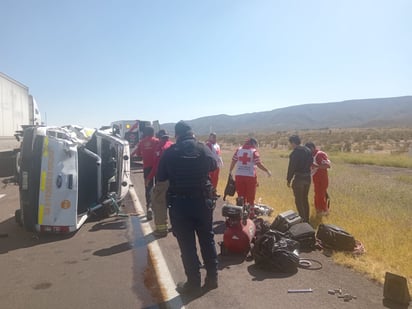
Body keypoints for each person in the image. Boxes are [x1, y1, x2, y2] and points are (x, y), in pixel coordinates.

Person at [156, 121, 219, 295]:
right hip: (202, 203)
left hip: (180, 205)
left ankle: (193, 283)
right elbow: (214, 165)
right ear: (192, 133)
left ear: (177, 135)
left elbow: (161, 176)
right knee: (208, 240)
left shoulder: (170, 153)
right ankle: (212, 279)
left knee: (187, 246)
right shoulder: (203, 148)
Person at [229, 138, 271, 218]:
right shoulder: (254, 151)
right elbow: (258, 164)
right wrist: (267, 171)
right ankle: (250, 214)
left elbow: (233, 161)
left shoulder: (239, 150)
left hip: (239, 176)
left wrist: (230, 171)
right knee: (250, 197)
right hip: (250, 177)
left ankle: (240, 213)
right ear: (253, 143)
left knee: (241, 196)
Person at [147, 129, 173, 237]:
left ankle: (161, 229)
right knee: (174, 203)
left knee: (159, 203)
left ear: (159, 137)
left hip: (163, 181)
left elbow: (157, 165)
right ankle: (175, 225)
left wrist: (149, 177)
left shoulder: (160, 147)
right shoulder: (173, 145)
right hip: (176, 180)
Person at [132, 126, 159, 220]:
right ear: (153, 132)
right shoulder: (157, 141)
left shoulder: (142, 142)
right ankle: (159, 207)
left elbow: (138, 154)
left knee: (148, 187)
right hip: (157, 167)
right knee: (159, 187)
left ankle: (149, 207)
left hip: (147, 167)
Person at [286, 135, 313, 223]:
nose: (290, 145)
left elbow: (291, 168)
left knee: (299, 201)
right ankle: (307, 219)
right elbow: (311, 162)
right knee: (305, 199)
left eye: (290, 143)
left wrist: (288, 179)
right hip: (308, 178)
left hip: (299, 179)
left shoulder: (295, 153)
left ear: (293, 142)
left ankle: (302, 220)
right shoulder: (308, 150)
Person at [305, 142, 331, 216]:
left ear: (312, 148)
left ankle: (323, 211)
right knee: (317, 194)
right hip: (316, 179)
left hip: (322, 179)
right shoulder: (312, 155)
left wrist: (316, 167)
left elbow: (327, 165)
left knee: (320, 195)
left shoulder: (319, 154)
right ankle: (318, 210)